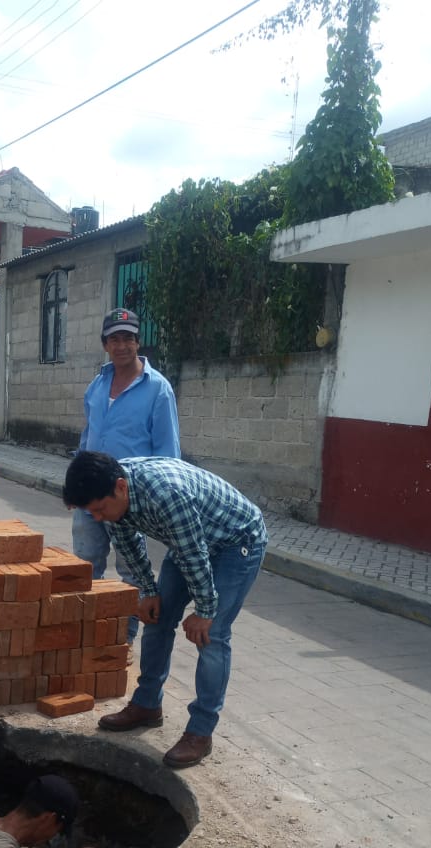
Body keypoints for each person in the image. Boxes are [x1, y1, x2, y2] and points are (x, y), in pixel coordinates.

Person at [63, 451, 267, 769]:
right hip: (188, 539)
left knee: (211, 635)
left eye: (100, 509)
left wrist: (205, 609)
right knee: (156, 619)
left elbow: (194, 554)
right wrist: (149, 591)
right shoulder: (116, 496)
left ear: (119, 487)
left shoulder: (165, 492)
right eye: (93, 513)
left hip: (236, 542)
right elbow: (128, 544)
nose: (99, 518)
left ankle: (200, 732)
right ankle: (147, 704)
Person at [73, 308, 180, 649]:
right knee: (85, 565)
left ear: (138, 342)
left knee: (131, 571)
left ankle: (123, 639)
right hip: (91, 495)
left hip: (127, 499)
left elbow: (168, 453)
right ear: (105, 344)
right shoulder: (98, 384)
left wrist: (158, 503)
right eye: (115, 339)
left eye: (128, 338)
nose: (122, 346)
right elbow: (88, 434)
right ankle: (87, 634)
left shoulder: (158, 390)